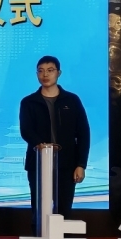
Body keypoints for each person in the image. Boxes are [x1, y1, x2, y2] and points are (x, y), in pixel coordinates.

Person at [19, 56, 90, 228]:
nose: (45, 75)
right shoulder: (29, 102)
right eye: (41, 71)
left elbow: (83, 133)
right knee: (39, 210)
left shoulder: (72, 100)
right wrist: (41, 145)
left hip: (66, 165)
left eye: (50, 70)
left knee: (64, 210)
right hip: (38, 165)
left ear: (59, 73)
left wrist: (81, 164)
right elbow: (26, 130)